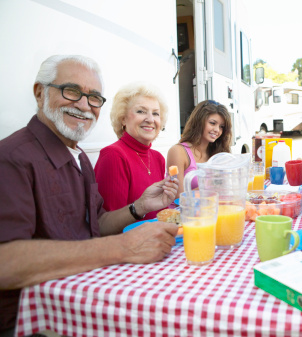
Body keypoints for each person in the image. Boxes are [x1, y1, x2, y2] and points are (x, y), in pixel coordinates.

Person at [0, 55, 179, 336]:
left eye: (94, 97)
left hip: (82, 301)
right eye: (71, 91)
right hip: (34, 321)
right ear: (39, 92)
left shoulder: (79, 157)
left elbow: (98, 222)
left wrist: (140, 206)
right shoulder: (12, 157)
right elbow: (5, 262)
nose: (84, 105)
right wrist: (123, 247)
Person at [94, 82, 169, 220]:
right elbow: (109, 226)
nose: (150, 119)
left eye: (156, 113)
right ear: (123, 118)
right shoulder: (113, 155)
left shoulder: (158, 158)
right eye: (141, 111)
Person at [166, 100, 232, 197]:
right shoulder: (178, 151)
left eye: (221, 127)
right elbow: (178, 197)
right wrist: (212, 185)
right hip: (183, 211)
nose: (217, 130)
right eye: (212, 123)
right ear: (199, 121)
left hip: (210, 209)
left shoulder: (217, 153)